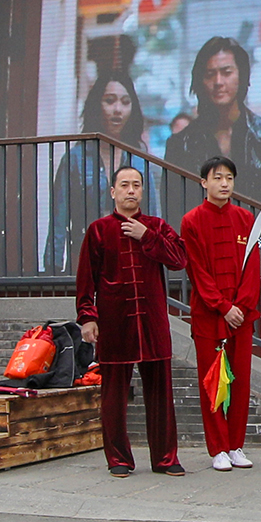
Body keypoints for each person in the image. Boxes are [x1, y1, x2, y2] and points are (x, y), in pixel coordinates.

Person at [75, 163, 186, 476]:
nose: (131, 190)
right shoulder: (99, 230)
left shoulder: (156, 226)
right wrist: (88, 317)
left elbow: (179, 259)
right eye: (124, 185)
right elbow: (86, 279)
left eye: (136, 185)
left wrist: (146, 236)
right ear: (113, 191)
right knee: (113, 397)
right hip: (115, 323)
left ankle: (165, 458)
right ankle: (119, 459)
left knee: (161, 395)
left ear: (143, 191)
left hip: (152, 322)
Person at [178, 153, 260, 470]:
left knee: (240, 382)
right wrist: (223, 307)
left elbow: (252, 269)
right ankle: (218, 449)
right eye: (217, 178)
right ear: (204, 182)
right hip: (209, 316)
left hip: (242, 316)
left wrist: (241, 306)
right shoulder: (192, 221)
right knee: (213, 383)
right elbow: (197, 272)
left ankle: (236, 445)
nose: (224, 183)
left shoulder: (245, 219)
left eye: (229, 178)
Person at [164, 35, 261, 209]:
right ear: (200, 81)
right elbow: (174, 212)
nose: (218, 82)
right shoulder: (180, 145)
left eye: (226, 73)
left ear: (242, 76)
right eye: (210, 74)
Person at [51, 70, 146, 268]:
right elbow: (58, 223)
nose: (118, 109)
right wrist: (53, 273)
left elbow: (151, 219)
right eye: (110, 101)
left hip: (130, 263)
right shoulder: (75, 159)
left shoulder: (139, 160)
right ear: (97, 105)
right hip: (87, 259)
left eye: (125, 102)